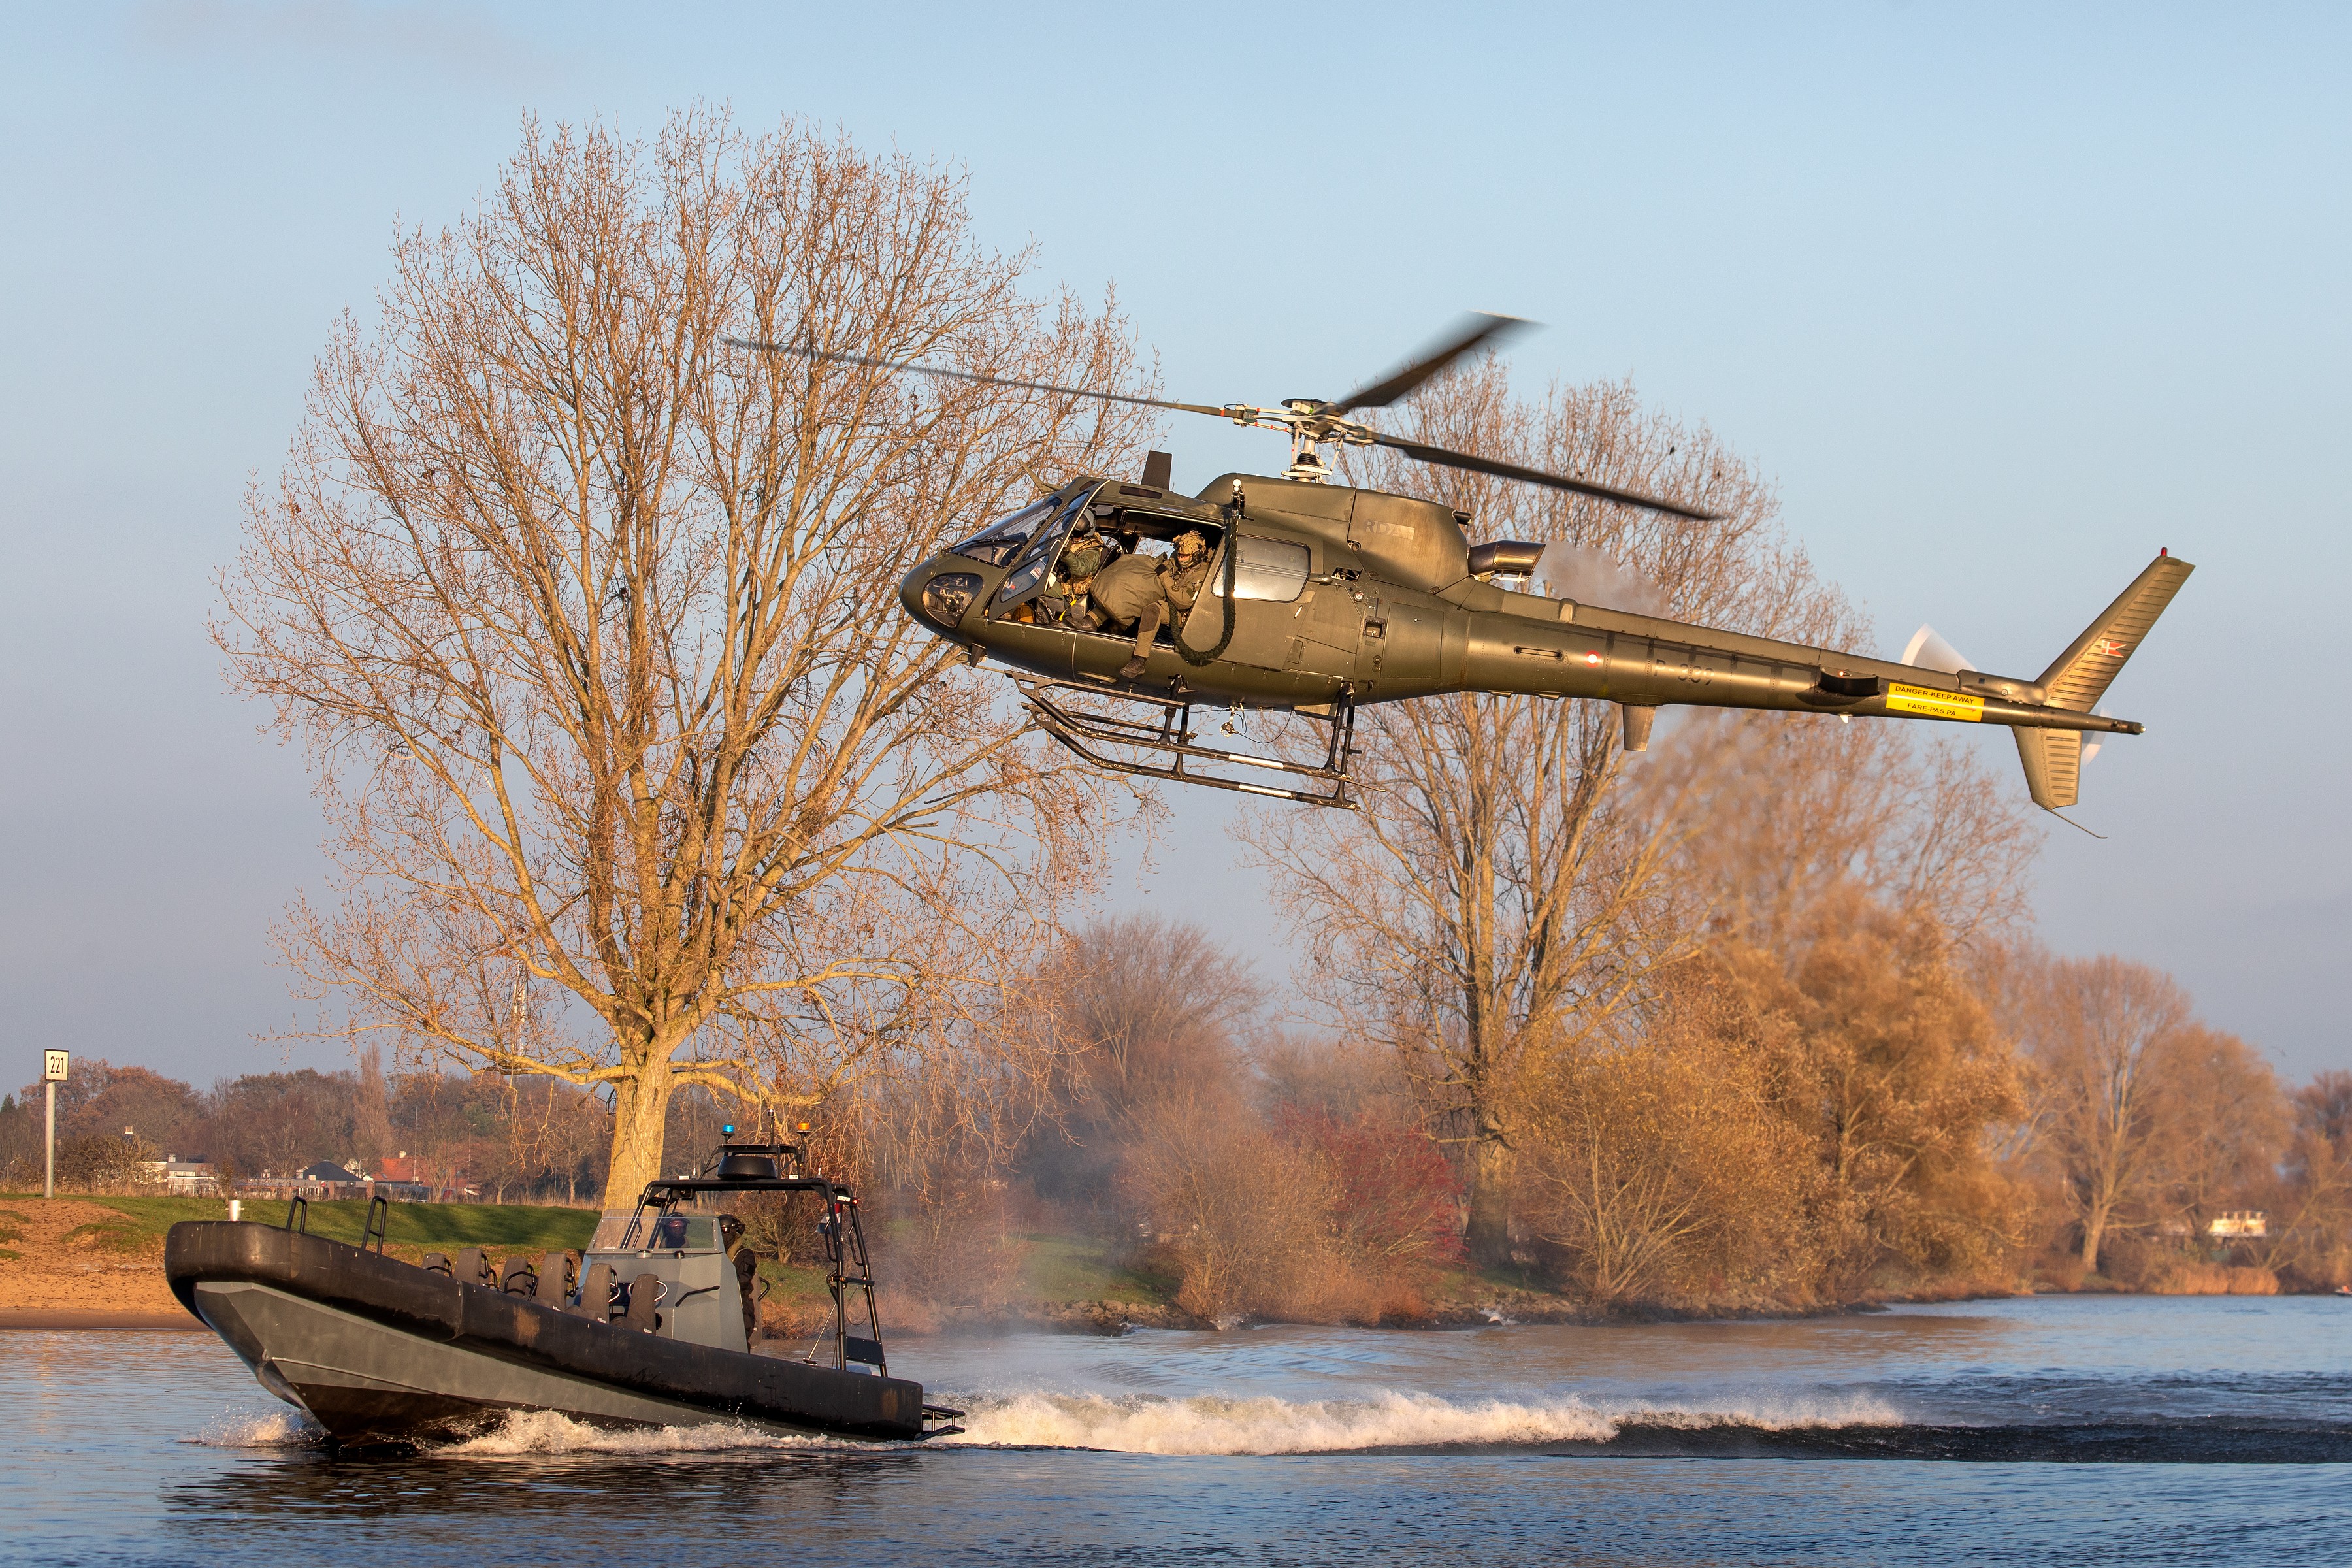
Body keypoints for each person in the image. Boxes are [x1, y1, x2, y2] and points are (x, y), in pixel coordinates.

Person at [1092, 531, 1215, 679]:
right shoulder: (1177, 560)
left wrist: (1164, 576)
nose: (1181, 559)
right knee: (1138, 592)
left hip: (1184, 614)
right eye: (1180, 555)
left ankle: (1139, 660)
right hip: (1166, 598)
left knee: (1153, 611)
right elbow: (1165, 566)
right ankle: (1092, 621)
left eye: (1185, 557)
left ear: (1195, 556)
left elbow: (1183, 602)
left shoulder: (1202, 575)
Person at [1041, 514, 1114, 627]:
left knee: (1028, 586)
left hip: (1069, 592)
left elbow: (1080, 569)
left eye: (1077, 534)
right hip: (1060, 581)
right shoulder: (1074, 542)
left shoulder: (1092, 552)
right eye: (1072, 532)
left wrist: (1066, 553)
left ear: (1087, 533)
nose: (1074, 537)